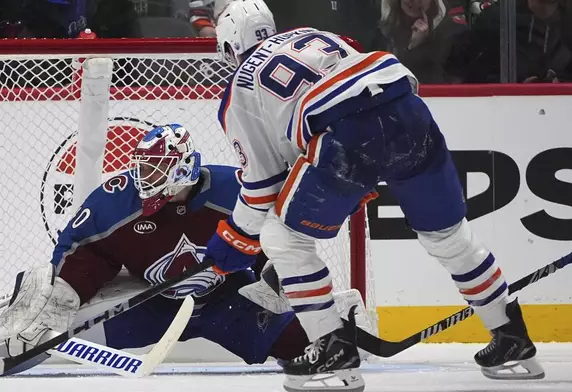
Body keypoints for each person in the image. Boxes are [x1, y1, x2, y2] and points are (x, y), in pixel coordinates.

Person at [203, 1, 544, 391]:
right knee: (448, 236)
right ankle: (512, 339)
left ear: (228, 46)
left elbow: (265, 185)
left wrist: (233, 239)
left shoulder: (241, 87)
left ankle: (333, 355)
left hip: (349, 135)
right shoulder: (319, 36)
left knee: (284, 240)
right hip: (409, 111)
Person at [0, 124, 371, 376]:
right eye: (142, 166)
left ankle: (341, 317)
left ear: (183, 167)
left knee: (297, 348)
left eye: (157, 168)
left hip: (223, 300)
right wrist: (64, 292)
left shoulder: (233, 191)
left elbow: (285, 223)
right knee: (52, 333)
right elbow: (85, 253)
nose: (145, 178)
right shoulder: (118, 200)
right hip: (148, 303)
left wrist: (274, 273)